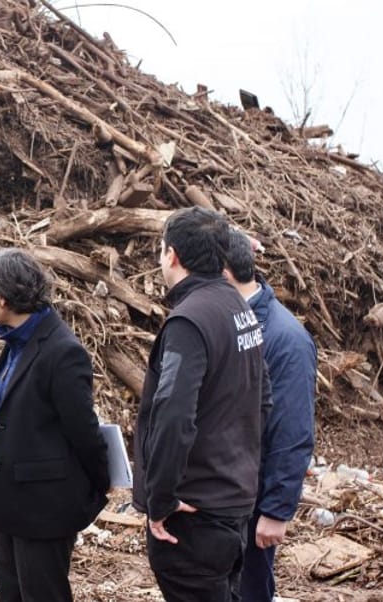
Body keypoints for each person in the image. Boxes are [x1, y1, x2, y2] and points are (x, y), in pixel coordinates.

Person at [132, 207, 272, 602]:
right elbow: (263, 399)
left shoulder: (189, 321)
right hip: (232, 500)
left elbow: (173, 417)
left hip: (193, 514)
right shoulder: (239, 307)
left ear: (172, 255)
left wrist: (160, 499)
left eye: (161, 250)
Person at [0, 248, 110, 602]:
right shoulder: (16, 341)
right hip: (9, 504)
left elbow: (83, 431)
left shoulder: (62, 351)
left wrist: (98, 484)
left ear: (3, 298)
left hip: (44, 509)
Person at [223, 229, 317, 602]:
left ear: (224, 273)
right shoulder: (226, 320)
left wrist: (277, 510)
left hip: (254, 498)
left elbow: (293, 429)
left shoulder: (285, 339)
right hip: (223, 493)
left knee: (248, 590)